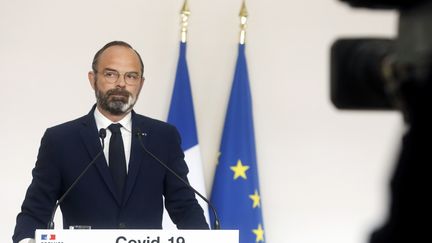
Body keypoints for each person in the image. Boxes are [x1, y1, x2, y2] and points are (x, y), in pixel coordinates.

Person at [12, 41, 209, 243]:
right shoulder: (60, 140)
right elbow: (35, 211)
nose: (121, 84)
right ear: (93, 79)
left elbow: (185, 206)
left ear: (140, 83)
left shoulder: (163, 137)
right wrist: (26, 240)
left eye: (131, 76)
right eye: (110, 74)